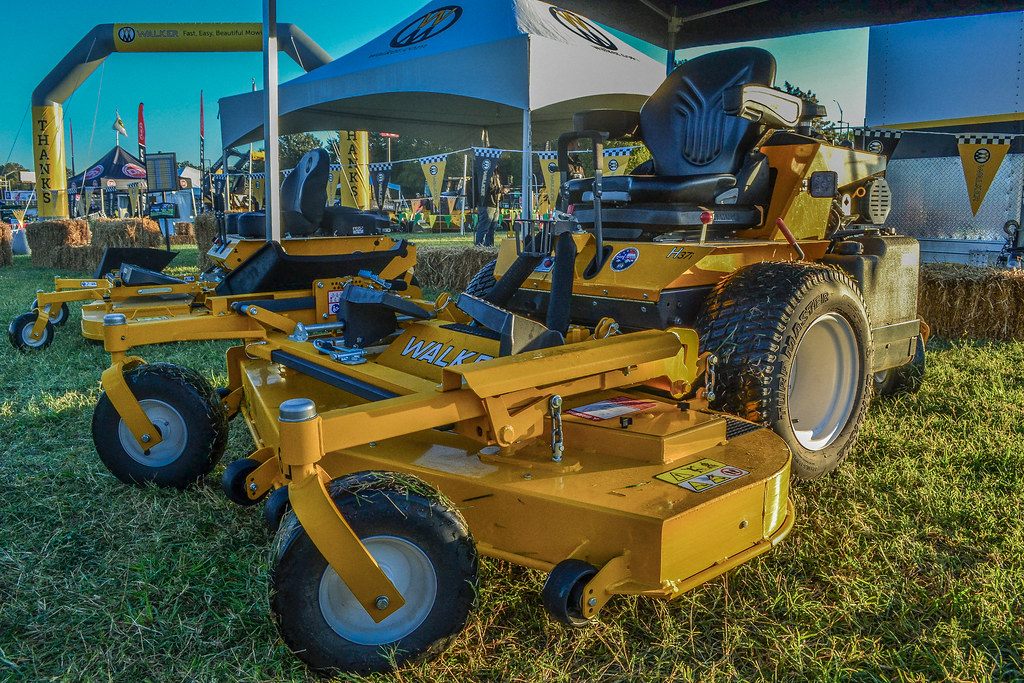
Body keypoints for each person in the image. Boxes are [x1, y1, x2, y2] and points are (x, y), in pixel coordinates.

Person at [474, 172, 506, 246]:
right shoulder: (486, 171)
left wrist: (501, 189)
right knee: (484, 227)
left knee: (492, 228)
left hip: (494, 202)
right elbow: (488, 187)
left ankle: (489, 247)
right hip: (487, 203)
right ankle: (479, 246)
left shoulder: (495, 173)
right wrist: (501, 189)